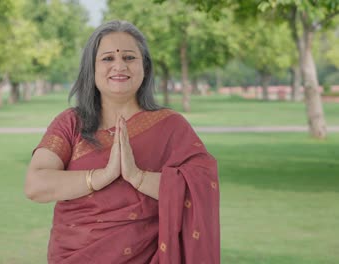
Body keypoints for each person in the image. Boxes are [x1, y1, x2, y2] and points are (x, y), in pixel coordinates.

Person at [25, 20, 219, 264]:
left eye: (129, 57)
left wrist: (136, 176)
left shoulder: (171, 126)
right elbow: (35, 185)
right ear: (91, 69)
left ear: (145, 67)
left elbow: (199, 188)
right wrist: (102, 176)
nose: (119, 66)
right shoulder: (71, 123)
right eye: (107, 59)